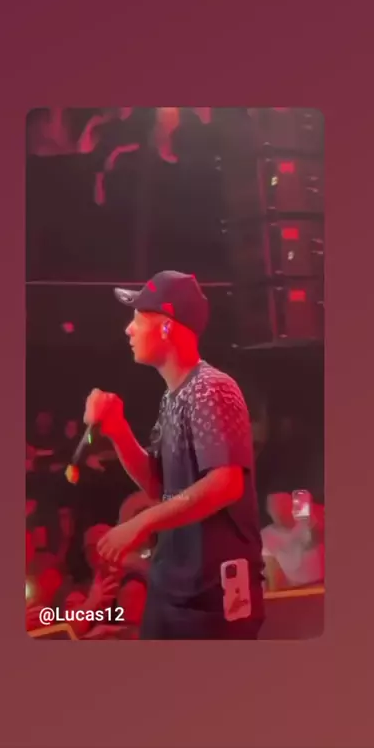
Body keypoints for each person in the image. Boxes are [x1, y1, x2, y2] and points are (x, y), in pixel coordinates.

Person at [83, 270, 265, 640]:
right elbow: (159, 485)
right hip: (176, 586)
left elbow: (225, 484)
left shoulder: (211, 388)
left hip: (212, 594)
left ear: (166, 326)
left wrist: (140, 524)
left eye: (138, 318)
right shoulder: (174, 396)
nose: (128, 330)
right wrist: (117, 428)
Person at [261, 492, 324, 590]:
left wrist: (309, 518)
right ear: (268, 510)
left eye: (283, 503)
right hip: (292, 589)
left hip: (319, 585)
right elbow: (271, 571)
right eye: (274, 505)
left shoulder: (307, 524)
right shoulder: (266, 536)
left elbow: (316, 539)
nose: (279, 508)